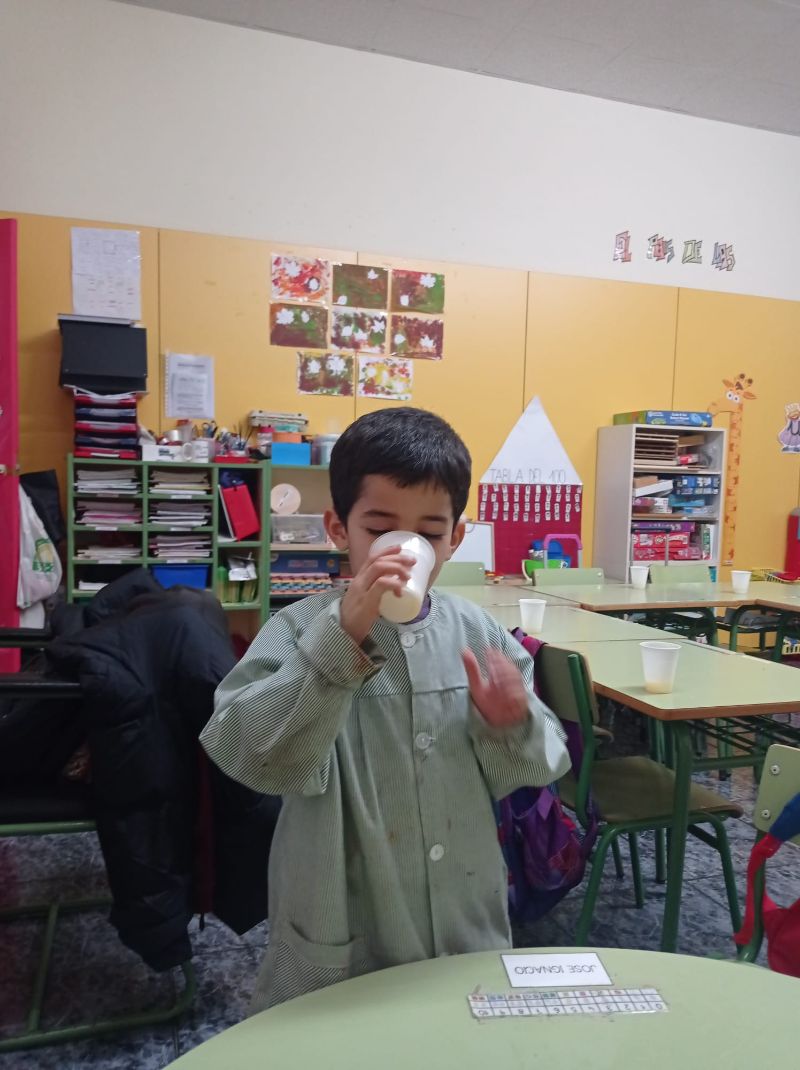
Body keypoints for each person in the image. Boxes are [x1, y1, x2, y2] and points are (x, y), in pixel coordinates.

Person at [200, 407, 569, 1011]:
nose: (406, 551)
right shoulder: (297, 630)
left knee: (456, 1034)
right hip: (343, 926)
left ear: (455, 539)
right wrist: (338, 642)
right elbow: (244, 753)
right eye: (380, 529)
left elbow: (537, 765)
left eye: (430, 532)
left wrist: (514, 724)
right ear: (338, 529)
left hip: (463, 920)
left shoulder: (478, 633)